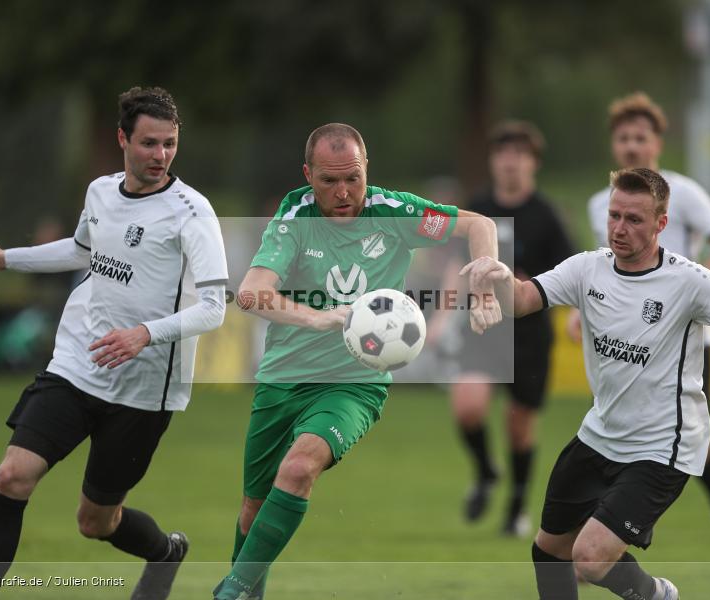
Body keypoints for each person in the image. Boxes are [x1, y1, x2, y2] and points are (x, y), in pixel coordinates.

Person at [476, 167, 710, 600]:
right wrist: (498, 278)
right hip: (600, 435)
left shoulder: (693, 282)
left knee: (589, 559)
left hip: (663, 448)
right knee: (549, 551)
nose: (618, 228)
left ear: (661, 223)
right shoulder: (587, 269)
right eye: (613, 216)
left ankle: (657, 595)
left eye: (633, 219)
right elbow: (522, 301)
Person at [212, 122, 503, 600]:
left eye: (354, 178)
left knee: (299, 467)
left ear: (367, 169)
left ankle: (229, 593)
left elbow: (479, 226)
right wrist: (320, 319)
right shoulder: (294, 217)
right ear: (308, 175)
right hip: (283, 378)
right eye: (329, 181)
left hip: (354, 383)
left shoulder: (394, 211)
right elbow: (250, 294)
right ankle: (246, 591)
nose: (344, 192)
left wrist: (484, 282)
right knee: (253, 510)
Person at [0, 86, 228, 600]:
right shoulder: (100, 193)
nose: (161, 156)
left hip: (144, 391)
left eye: (170, 144)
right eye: (149, 143)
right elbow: (82, 251)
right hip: (76, 366)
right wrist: (7, 257)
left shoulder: (192, 212)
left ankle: (165, 553)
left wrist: (144, 334)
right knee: (11, 477)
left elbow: (215, 308)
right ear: (122, 139)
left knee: (96, 521)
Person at [569, 91, 710, 566]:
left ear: (657, 144)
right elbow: (602, 271)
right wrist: (579, 310)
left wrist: (684, 294)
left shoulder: (684, 192)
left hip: (687, 343)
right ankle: (607, 530)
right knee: (620, 432)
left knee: (697, 445)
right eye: (623, 138)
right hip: (626, 345)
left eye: (640, 138)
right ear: (615, 146)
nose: (632, 146)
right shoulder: (600, 204)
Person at [444, 121, 574, 535]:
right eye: (503, 153)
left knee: (519, 428)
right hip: (483, 326)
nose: (510, 162)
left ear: (533, 163)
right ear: (492, 161)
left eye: (519, 154)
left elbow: (569, 275)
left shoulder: (547, 216)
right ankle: (485, 472)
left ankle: (515, 510)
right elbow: (453, 267)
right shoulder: (478, 206)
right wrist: (438, 318)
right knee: (467, 407)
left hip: (529, 335)